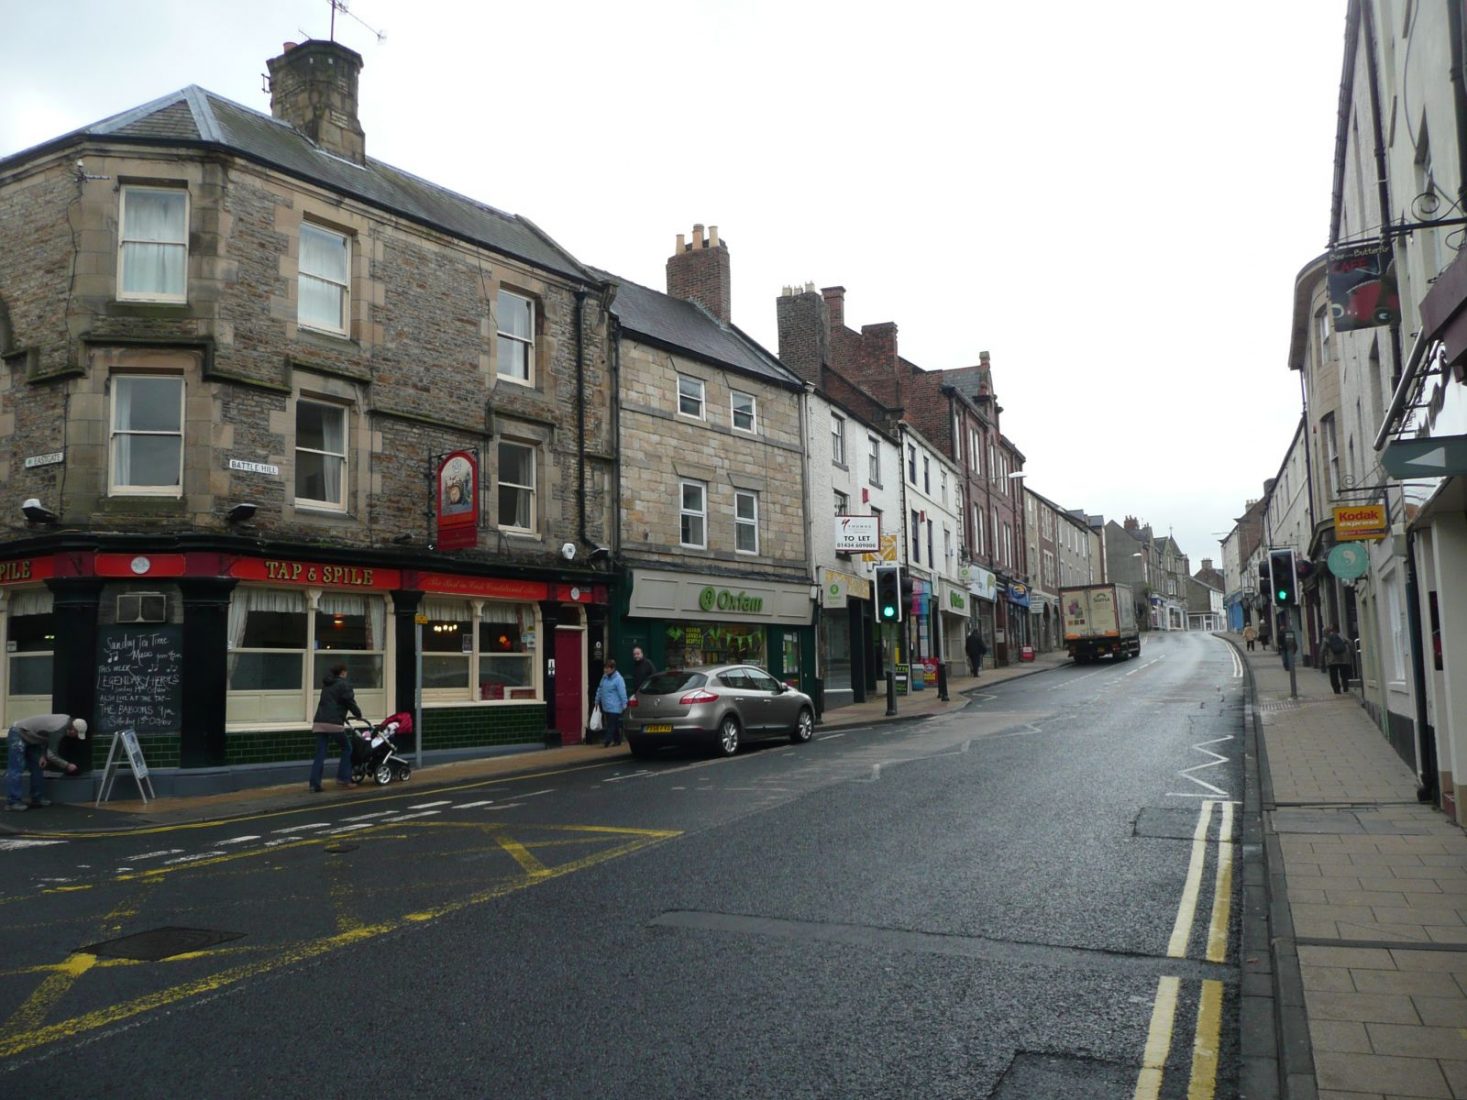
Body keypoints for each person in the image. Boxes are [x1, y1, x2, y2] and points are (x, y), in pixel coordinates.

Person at [6, 714, 86, 811]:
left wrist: (43, 755)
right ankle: (13, 802)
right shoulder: (59, 729)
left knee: (38, 767)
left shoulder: (66, 720)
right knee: (17, 768)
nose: (76, 736)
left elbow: (46, 736)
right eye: (77, 734)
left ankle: (37, 798)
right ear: (73, 729)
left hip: (33, 738)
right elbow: (52, 755)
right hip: (19, 732)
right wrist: (67, 765)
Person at [310, 663, 362, 792]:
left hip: (319, 721)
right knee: (347, 748)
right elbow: (349, 702)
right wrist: (358, 714)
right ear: (343, 672)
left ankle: (314, 784)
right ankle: (343, 778)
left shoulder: (327, 684)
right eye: (346, 672)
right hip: (333, 722)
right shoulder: (344, 685)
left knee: (320, 754)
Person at [595, 658, 628, 748]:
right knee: (614, 725)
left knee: (611, 725)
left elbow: (622, 693)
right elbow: (600, 689)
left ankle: (607, 741)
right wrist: (597, 700)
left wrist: (625, 704)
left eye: (607, 668)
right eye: (604, 668)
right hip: (606, 706)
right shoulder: (604, 677)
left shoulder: (618, 679)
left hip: (615, 707)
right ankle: (617, 740)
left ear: (612, 669)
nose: (605, 670)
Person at [1323, 624, 1353, 694]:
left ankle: (1337, 690)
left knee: (1334, 676)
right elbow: (1350, 643)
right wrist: (1351, 653)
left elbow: (1323, 649)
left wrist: (1322, 661)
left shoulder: (1327, 638)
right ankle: (1345, 687)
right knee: (1344, 674)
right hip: (1343, 659)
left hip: (1332, 660)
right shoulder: (1342, 636)